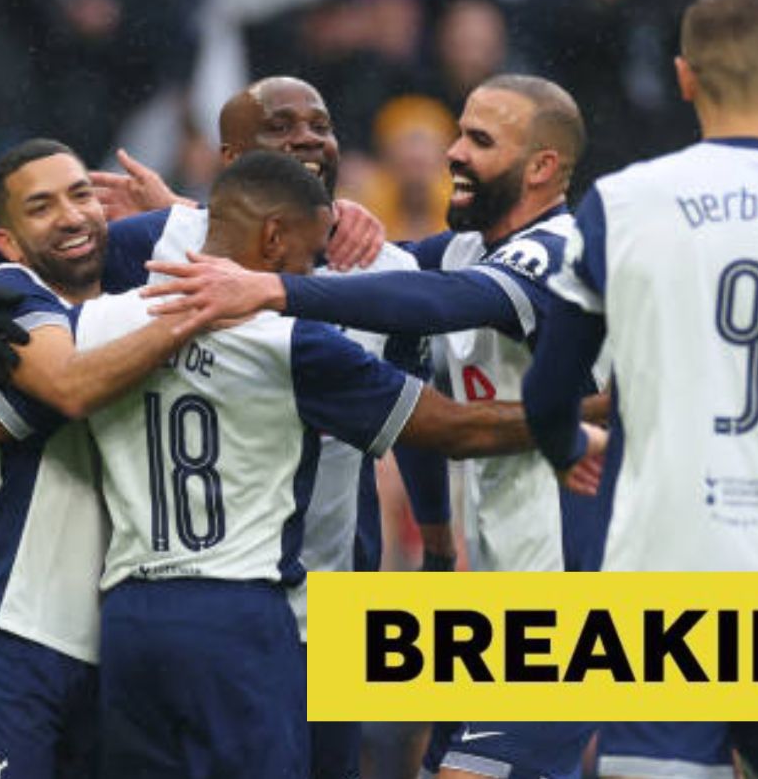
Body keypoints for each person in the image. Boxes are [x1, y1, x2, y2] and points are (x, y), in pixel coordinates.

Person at [0, 76, 449, 779]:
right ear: (232, 157)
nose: (305, 138)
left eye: (319, 124)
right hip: (214, 601)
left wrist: (440, 536)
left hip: (331, 602)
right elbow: (37, 265)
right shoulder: (164, 244)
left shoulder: (386, 265)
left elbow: (424, 408)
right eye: (279, 128)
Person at [68, 150, 601, 778]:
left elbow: (19, 350)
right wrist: (566, 419)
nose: (315, 271)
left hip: (130, 616)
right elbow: (449, 429)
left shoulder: (102, 322)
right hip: (249, 614)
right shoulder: (294, 340)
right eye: (309, 254)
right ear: (273, 236)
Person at [521, 0, 758, 779]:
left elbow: (547, 389)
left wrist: (566, 443)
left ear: (682, 77)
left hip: (664, 567)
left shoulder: (622, 203)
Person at [0, 138, 215, 779]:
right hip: (8, 625)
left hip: (116, 648)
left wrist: (177, 210)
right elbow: (70, 388)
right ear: (9, 240)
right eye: (41, 206)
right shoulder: (9, 289)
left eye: (81, 194)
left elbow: (254, 247)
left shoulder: (120, 295)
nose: (72, 215)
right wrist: (187, 319)